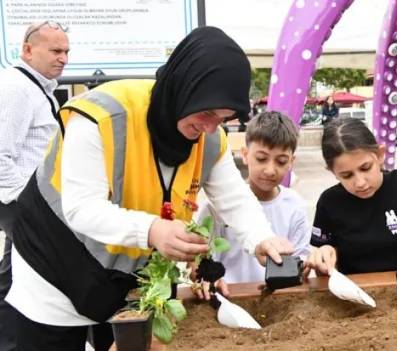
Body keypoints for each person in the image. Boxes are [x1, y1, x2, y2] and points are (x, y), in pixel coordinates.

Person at [4, 27, 293, 350]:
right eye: (206, 112)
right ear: (183, 90)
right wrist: (153, 230)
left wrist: (260, 238)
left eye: (224, 118)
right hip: (55, 259)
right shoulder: (103, 116)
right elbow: (81, 208)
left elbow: (234, 197)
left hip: (123, 276)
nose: (210, 127)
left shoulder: (210, 138)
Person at [306, 118, 397, 284]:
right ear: (333, 172)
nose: (361, 182)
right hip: (353, 294)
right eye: (347, 175)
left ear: (380, 155)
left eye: (365, 168)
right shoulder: (329, 202)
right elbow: (323, 273)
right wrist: (323, 257)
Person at [0, 20, 69, 351]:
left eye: (67, 51)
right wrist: (28, 206)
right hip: (21, 205)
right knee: (18, 284)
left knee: (18, 282)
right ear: (28, 50)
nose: (64, 58)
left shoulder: (37, 88)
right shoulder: (16, 89)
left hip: (31, 206)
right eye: (56, 50)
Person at [191, 111, 311, 298]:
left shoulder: (295, 207)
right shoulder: (216, 208)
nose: (270, 170)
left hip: (278, 300)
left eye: (281, 161)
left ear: (291, 162)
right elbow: (200, 265)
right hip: (229, 298)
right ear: (245, 155)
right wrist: (207, 279)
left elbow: (301, 261)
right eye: (261, 158)